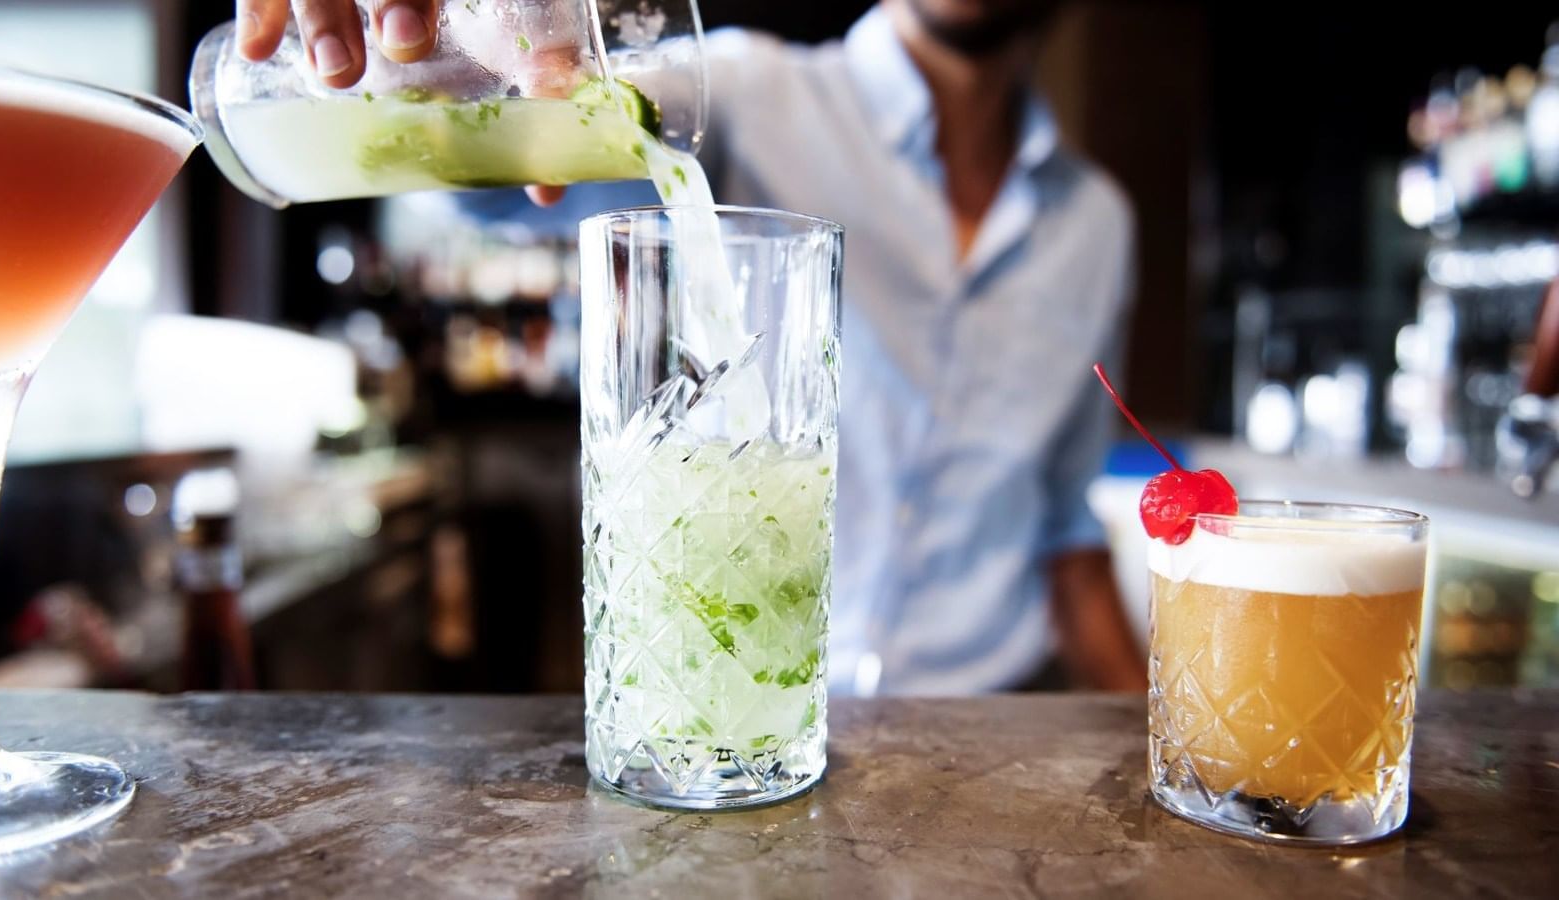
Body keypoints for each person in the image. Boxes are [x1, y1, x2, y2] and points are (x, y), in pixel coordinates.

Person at [236, 0, 1147, 694]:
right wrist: (468, 44)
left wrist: (1168, 742)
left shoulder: (1097, 223)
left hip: (984, 735)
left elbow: (1066, 537)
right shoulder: (748, 93)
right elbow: (504, 164)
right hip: (737, 713)